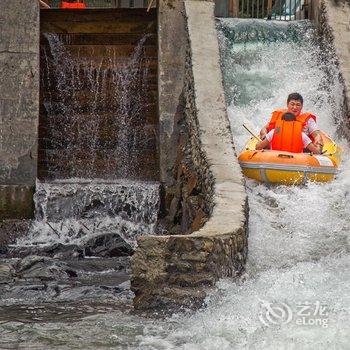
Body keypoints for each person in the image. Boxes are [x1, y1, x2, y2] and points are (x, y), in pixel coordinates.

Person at [257, 92, 323, 153]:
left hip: (301, 151)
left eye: (298, 105)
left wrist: (319, 143)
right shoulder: (278, 119)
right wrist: (264, 137)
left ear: (302, 106)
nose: (295, 107)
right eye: (292, 104)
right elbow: (264, 129)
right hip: (275, 150)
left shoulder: (308, 121)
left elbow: (317, 135)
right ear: (287, 104)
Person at [256, 112, 322, 154]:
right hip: (297, 163)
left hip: (275, 161)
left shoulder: (273, 132)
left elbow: (258, 147)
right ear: (295, 123)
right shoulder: (301, 135)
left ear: (281, 122)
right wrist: (319, 146)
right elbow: (316, 151)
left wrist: (258, 143)